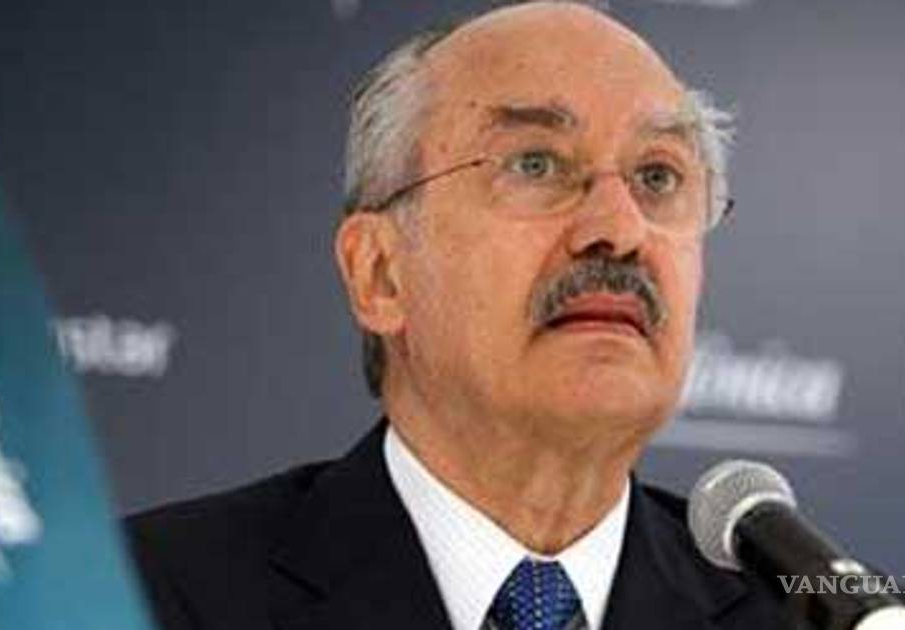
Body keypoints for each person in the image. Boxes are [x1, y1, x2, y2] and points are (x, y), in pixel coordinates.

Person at [126, 2, 790, 628]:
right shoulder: (143, 595)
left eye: (658, 177)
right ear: (379, 273)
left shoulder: (806, 613)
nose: (619, 229)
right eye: (536, 164)